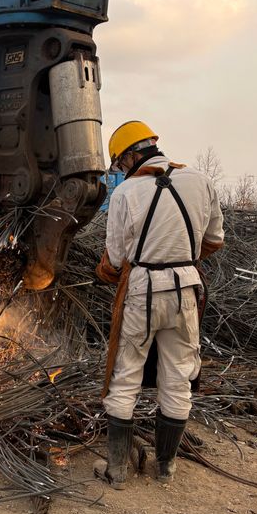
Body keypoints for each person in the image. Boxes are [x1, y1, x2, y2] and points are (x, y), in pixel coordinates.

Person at [94, 120, 225, 489]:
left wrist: (110, 270)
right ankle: (166, 467)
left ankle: (117, 471)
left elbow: (115, 260)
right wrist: (179, 256)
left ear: (129, 156)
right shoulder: (200, 181)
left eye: (120, 163)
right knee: (178, 377)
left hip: (143, 291)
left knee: (126, 376)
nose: (121, 169)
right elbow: (214, 239)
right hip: (186, 290)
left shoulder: (125, 193)